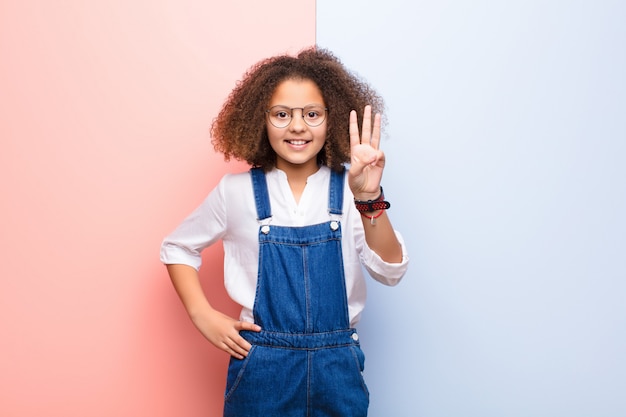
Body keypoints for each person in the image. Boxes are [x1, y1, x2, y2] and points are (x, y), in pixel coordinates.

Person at [160, 47, 409, 416]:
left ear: (332, 118)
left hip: (336, 369)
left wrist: (369, 198)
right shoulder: (236, 192)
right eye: (282, 114)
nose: (297, 126)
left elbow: (390, 271)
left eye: (311, 114)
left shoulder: (350, 190)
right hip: (262, 368)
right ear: (260, 120)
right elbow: (177, 247)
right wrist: (202, 315)